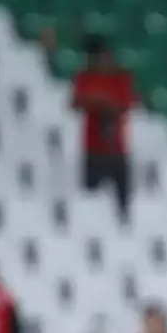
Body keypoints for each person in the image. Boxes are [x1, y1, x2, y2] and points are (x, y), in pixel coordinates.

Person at [71, 35, 135, 217]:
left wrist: (99, 103)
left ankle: (123, 225)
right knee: (91, 198)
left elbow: (124, 104)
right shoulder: (84, 78)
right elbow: (76, 103)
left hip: (117, 148)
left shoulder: (120, 78)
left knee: (123, 202)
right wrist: (102, 103)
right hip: (92, 147)